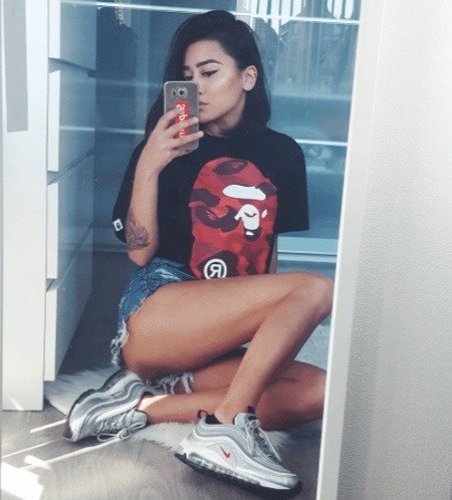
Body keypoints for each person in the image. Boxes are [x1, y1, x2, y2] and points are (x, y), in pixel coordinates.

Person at [63, 10, 333, 496]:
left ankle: (140, 406)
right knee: (317, 289)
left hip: (217, 329)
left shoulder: (284, 154)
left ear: (247, 77)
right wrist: (150, 165)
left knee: (320, 391)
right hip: (159, 316)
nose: (197, 88)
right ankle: (227, 429)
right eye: (187, 76)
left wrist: (259, 336)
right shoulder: (165, 148)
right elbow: (139, 254)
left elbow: (267, 258)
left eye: (209, 72)